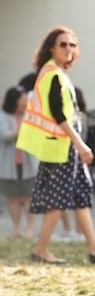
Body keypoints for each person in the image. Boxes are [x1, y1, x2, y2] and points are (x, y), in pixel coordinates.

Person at [16, 26, 95, 264]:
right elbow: (57, 115)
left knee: (80, 195)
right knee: (59, 200)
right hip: (61, 147)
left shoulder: (57, 74)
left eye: (72, 45)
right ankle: (41, 249)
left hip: (65, 147)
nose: (69, 49)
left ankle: (94, 248)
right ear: (52, 47)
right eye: (63, 44)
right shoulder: (52, 73)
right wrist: (80, 144)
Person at [0, 86, 38, 238]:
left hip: (29, 164)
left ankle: (30, 229)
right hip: (9, 165)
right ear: (14, 101)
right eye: (22, 99)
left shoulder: (29, 116)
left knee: (29, 197)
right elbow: (5, 135)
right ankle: (17, 229)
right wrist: (22, 128)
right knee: (13, 198)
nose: (25, 102)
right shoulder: (2, 117)